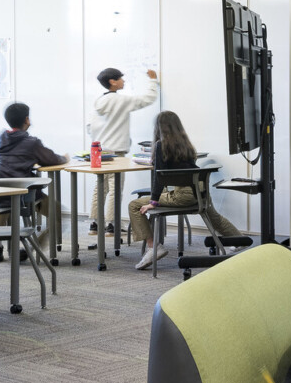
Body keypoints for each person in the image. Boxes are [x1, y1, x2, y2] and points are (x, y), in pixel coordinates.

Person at [129, 110, 243, 269]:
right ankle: (239, 240)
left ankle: (153, 248)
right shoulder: (187, 145)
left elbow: (159, 178)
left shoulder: (161, 146)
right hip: (200, 192)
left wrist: (153, 202)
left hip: (182, 196)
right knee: (214, 218)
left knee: (134, 205)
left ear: (159, 128)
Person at [0, 102, 68, 261]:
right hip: (26, 194)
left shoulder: (0, 138)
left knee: (5, 203)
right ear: (27, 119)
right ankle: (32, 248)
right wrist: (65, 158)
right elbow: (51, 160)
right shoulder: (31, 143)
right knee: (60, 214)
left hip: (0, 194)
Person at [88, 66, 159, 235]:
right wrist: (153, 80)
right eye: (121, 78)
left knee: (100, 188)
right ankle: (111, 224)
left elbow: (90, 127)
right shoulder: (120, 100)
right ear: (113, 82)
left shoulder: (99, 101)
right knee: (115, 189)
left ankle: (95, 224)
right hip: (116, 153)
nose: (124, 81)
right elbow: (147, 99)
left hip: (99, 151)